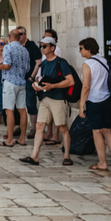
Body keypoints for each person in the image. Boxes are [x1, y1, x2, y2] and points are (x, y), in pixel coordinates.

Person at [19, 36, 74, 166]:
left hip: (58, 99)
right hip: (45, 98)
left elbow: (70, 81)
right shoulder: (43, 63)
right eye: (41, 46)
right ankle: (34, 156)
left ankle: (67, 156)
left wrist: (53, 86)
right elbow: (42, 79)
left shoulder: (62, 63)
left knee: (62, 127)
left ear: (52, 48)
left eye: (44, 46)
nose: (42, 48)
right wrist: (37, 85)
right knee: (39, 126)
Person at [78, 37, 111, 171]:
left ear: (88, 49)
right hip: (107, 100)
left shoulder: (88, 64)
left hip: (94, 101)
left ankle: (102, 163)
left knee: (97, 132)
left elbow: (86, 87)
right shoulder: (104, 61)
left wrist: (81, 105)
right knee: (107, 131)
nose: (79, 51)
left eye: (81, 48)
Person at [0, 29, 29, 147]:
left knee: (9, 110)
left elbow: (7, 65)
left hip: (10, 82)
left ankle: (10, 139)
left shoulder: (8, 48)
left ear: (10, 37)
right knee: (22, 110)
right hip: (21, 82)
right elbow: (27, 68)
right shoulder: (24, 50)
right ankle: (22, 138)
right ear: (19, 38)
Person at [32, 29, 62, 145]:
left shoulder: (57, 51)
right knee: (47, 112)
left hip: (51, 85)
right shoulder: (44, 52)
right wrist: (37, 78)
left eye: (47, 39)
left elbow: (55, 66)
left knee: (56, 114)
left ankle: (55, 135)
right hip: (43, 84)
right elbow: (43, 66)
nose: (43, 45)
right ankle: (49, 133)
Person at [18, 26, 42, 139]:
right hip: (19, 80)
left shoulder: (31, 46)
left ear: (25, 35)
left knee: (31, 104)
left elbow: (39, 62)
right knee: (20, 104)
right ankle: (21, 126)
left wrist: (32, 77)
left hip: (28, 80)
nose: (20, 36)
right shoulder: (17, 47)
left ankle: (33, 128)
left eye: (21, 34)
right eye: (17, 34)